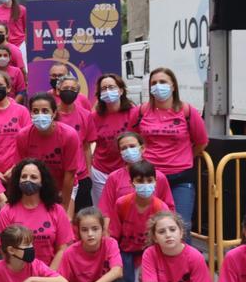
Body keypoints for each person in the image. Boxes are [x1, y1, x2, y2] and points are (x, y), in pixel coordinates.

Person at [128, 68, 209, 234]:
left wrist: (184, 157)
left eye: (163, 82)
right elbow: (132, 140)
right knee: (151, 226)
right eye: (154, 83)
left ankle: (184, 260)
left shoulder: (187, 111)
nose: (158, 86)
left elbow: (201, 142)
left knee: (181, 226)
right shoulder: (140, 112)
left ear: (173, 86)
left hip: (181, 178)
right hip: (150, 178)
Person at [0, 159, 73, 269]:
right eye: (24, 176)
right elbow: (3, 249)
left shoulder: (57, 210)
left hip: (50, 275)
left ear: (42, 181)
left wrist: (48, 278)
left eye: (33, 177)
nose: (28, 180)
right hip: (17, 274)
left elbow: (63, 249)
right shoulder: (7, 212)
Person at [16, 94, 79, 208]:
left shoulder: (69, 135)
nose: (40, 115)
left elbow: (69, 173)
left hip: (63, 186)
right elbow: (21, 170)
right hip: (35, 186)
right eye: (35, 111)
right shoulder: (23, 136)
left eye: (45, 111)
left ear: (54, 113)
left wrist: (63, 206)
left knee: (64, 220)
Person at [97, 132, 174, 213]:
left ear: (142, 148)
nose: (129, 150)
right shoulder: (114, 177)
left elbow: (169, 208)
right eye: (124, 148)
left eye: (132, 146)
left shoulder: (158, 176)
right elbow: (105, 210)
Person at [89, 73, 135, 205]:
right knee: (103, 210)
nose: (108, 91)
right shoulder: (94, 117)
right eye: (104, 88)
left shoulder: (133, 113)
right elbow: (88, 143)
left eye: (111, 87)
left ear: (121, 90)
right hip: (101, 171)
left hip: (127, 170)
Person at [54, 75, 96, 210]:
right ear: (58, 90)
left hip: (81, 175)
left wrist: (88, 173)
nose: (69, 91)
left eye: (73, 89)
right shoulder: (52, 115)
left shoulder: (86, 115)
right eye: (66, 88)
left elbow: (87, 147)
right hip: (58, 176)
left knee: (82, 216)